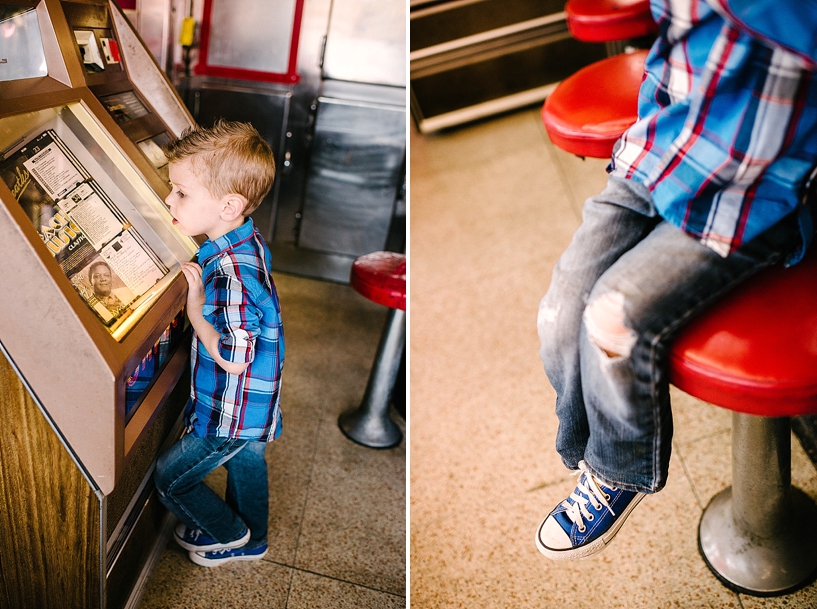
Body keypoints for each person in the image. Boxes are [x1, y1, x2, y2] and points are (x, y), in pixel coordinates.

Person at [535, 0, 817, 560]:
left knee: (611, 316)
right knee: (562, 304)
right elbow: (675, 45)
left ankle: (617, 469)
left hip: (755, 195)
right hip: (665, 150)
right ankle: (587, 450)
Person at [153, 120, 284, 567]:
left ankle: (231, 534)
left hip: (230, 409)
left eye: (181, 193)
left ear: (229, 205)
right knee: (248, 463)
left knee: (171, 480)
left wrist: (194, 309)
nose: (169, 199)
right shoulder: (243, 239)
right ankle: (257, 539)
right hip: (256, 404)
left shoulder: (230, 274)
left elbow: (234, 355)